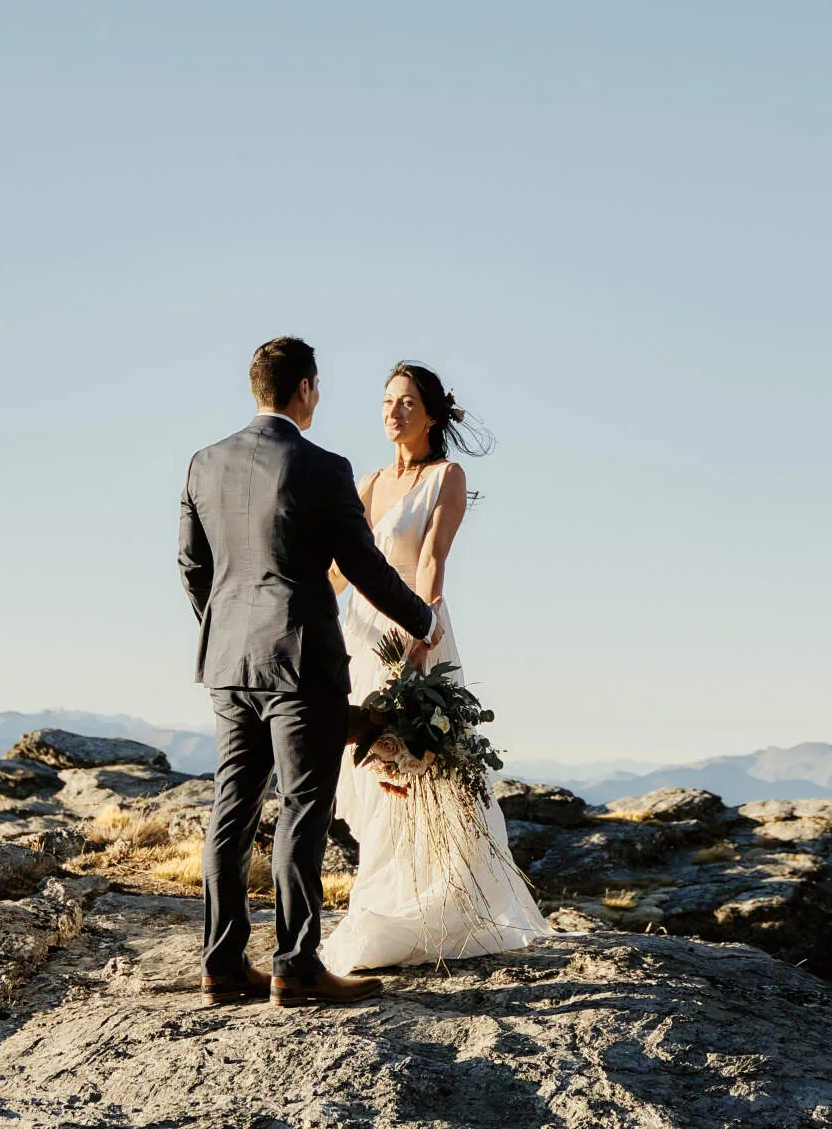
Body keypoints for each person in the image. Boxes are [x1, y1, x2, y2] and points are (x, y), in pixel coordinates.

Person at [177, 336, 441, 1007]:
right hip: (300, 660)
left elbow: (192, 566)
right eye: (316, 388)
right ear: (302, 390)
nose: (317, 397)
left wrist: (227, 623)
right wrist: (422, 619)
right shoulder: (323, 466)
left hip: (229, 663)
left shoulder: (203, 464)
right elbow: (363, 565)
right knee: (303, 807)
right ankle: (296, 965)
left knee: (231, 809)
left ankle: (222, 965)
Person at [322, 362, 551, 973]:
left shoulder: (446, 475)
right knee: (374, 770)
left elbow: (431, 561)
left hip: (412, 634)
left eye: (406, 402)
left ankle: (444, 901)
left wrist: (416, 644)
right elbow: (342, 569)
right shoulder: (368, 482)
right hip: (358, 638)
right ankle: (382, 897)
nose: (393, 412)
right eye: (387, 401)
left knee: (425, 763)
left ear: (431, 413)